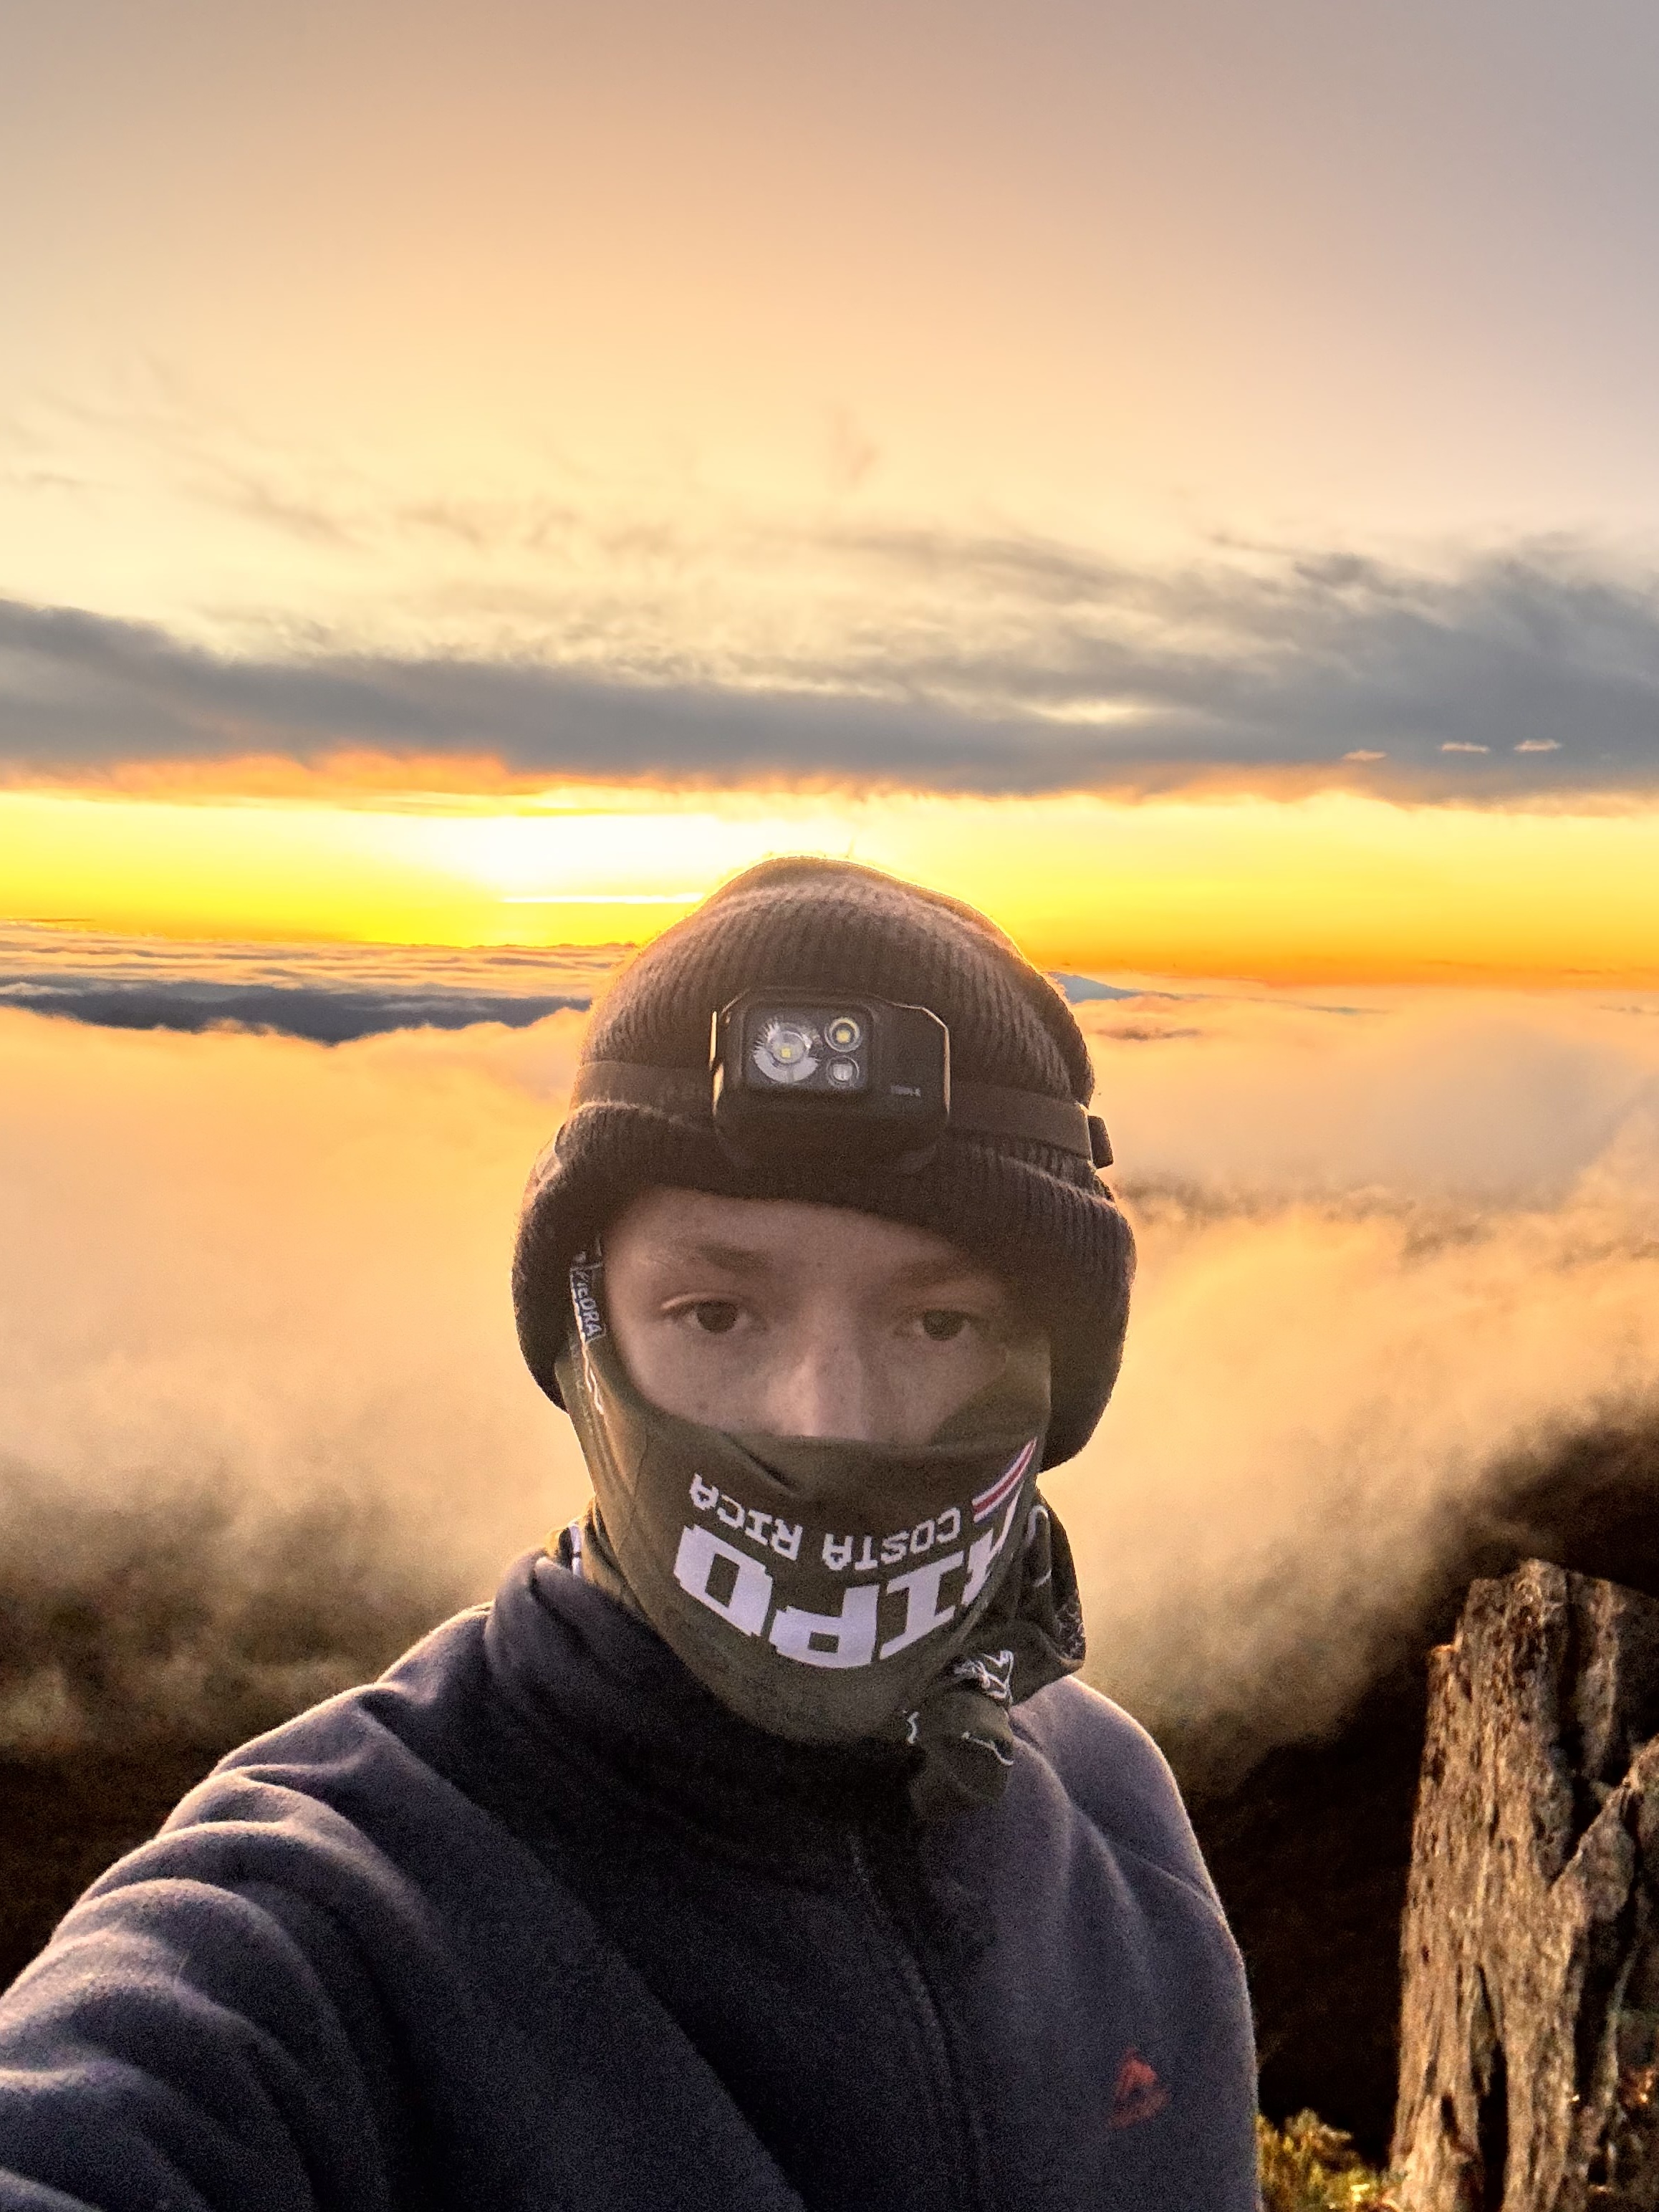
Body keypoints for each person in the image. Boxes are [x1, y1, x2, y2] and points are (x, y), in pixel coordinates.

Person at [0, 857, 1259, 2210]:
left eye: (935, 1324)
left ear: (1059, 1374)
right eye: (717, 1314)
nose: (823, 1424)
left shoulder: (1115, 1815)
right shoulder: (331, 1926)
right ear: (580, 1341)